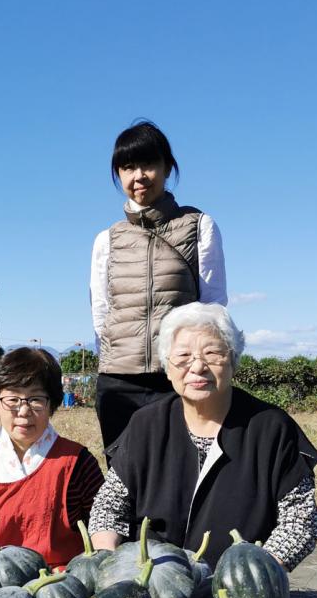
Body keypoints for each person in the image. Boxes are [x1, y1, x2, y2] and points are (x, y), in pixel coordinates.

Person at [89, 303, 317, 572]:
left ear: (233, 361)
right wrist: (108, 562)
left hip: (235, 593)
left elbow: (301, 522)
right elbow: (109, 506)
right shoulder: (146, 425)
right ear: (167, 367)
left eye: (212, 353)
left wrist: (254, 575)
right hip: (150, 580)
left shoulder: (272, 429)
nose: (197, 366)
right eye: (184, 356)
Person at [90, 120, 228, 456]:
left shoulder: (199, 226)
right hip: (119, 379)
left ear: (167, 167)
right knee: (124, 483)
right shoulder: (107, 239)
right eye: (127, 167)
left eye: (148, 164)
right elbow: (101, 312)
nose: (138, 176)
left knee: (180, 481)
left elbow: (214, 307)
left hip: (178, 376)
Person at [0, 348, 105, 595]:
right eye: (13, 399)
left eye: (35, 399)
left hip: (60, 590)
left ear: (52, 403)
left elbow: (100, 531)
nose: (23, 411)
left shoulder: (77, 462)